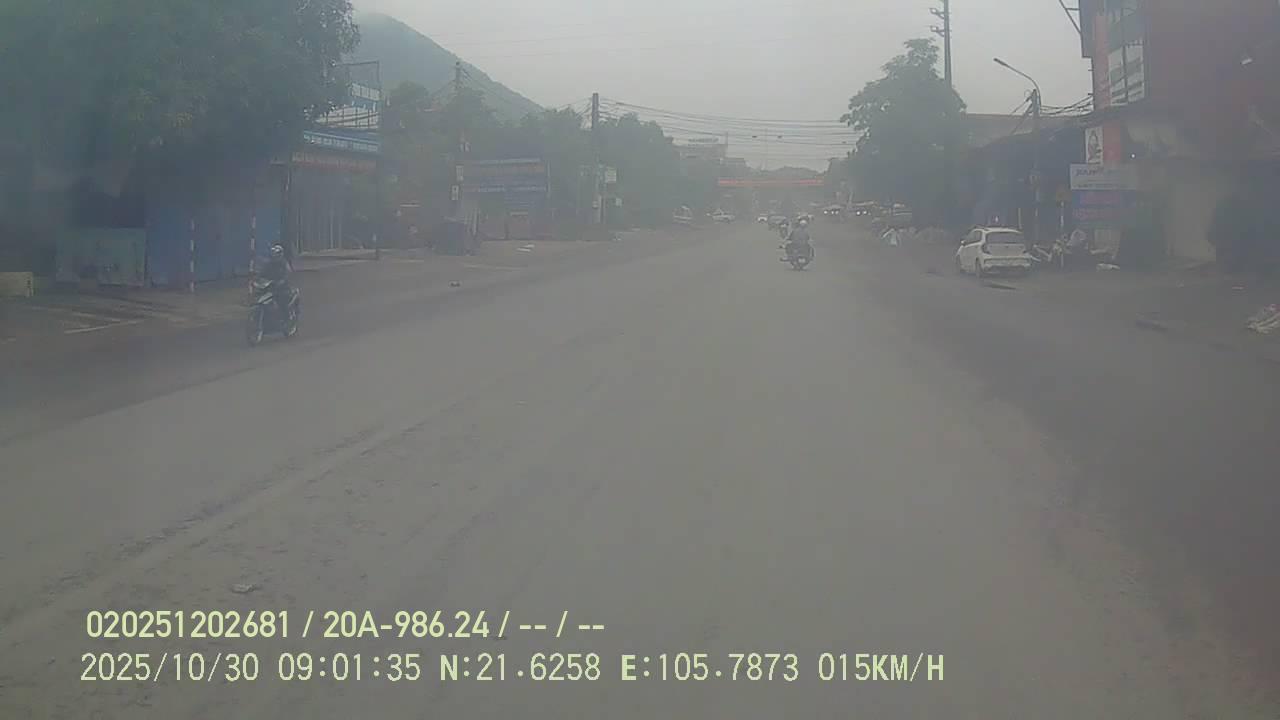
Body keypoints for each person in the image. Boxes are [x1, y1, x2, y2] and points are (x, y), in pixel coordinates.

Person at [261, 244, 294, 316]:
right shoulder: (268, 264)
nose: (275, 256)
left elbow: (288, 274)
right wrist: (259, 279)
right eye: (273, 254)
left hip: (282, 288)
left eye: (276, 254)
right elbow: (262, 273)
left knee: (282, 300)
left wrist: (282, 281)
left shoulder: (284, 264)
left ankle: (285, 317)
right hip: (270, 286)